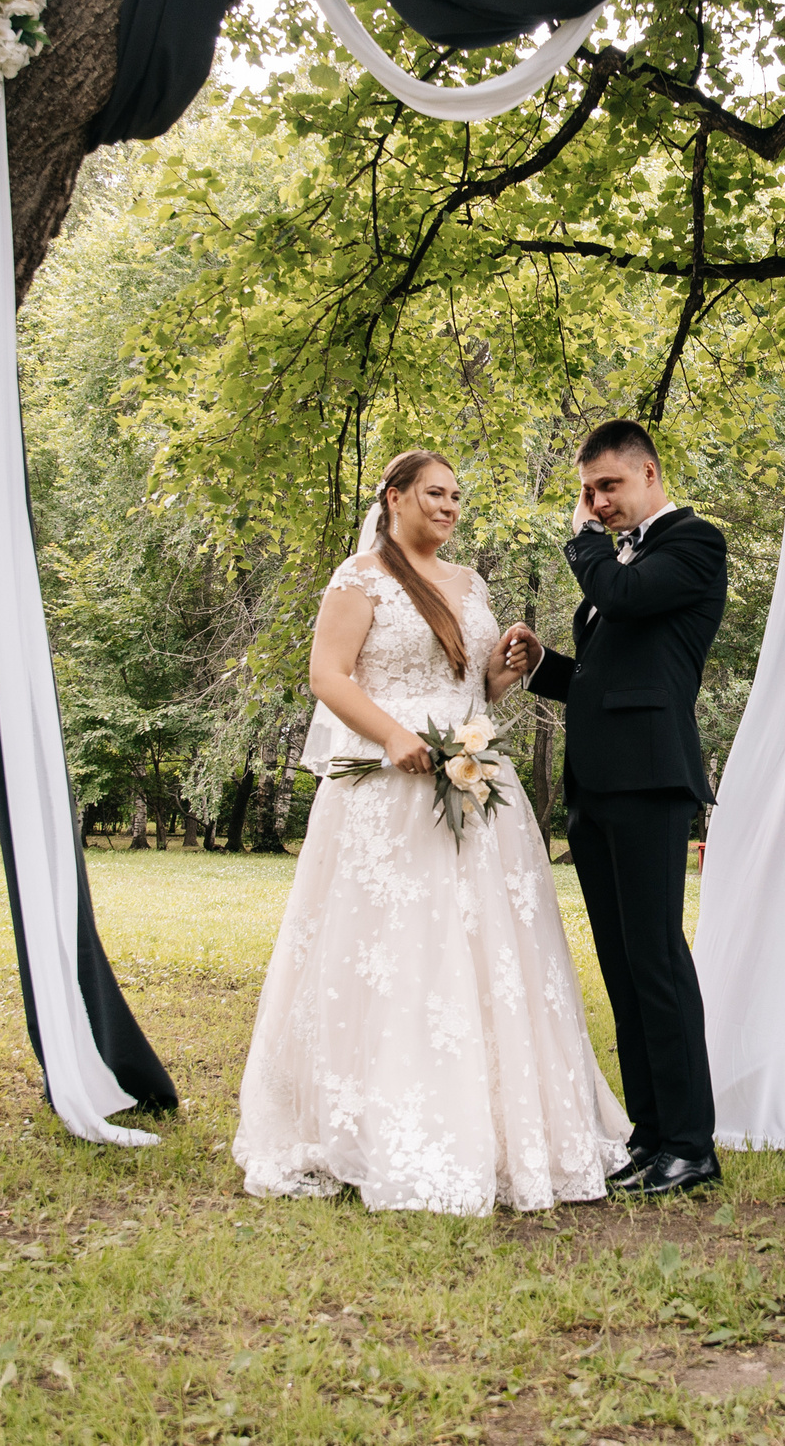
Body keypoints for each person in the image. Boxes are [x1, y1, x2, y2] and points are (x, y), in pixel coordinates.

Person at [233, 449, 632, 1213]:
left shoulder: (469, 582)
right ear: (396, 496)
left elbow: (466, 682)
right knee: (397, 948)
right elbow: (329, 675)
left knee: (484, 951)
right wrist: (390, 736)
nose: (450, 506)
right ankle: (375, 1122)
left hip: (473, 780)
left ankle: (501, 1123)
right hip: (392, 788)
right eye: (436, 493)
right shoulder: (360, 579)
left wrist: (503, 671)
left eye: (457, 495)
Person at [503, 419, 730, 1197]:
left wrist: (583, 544)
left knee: (658, 961)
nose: (595, 503)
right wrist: (543, 667)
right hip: (596, 787)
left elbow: (622, 595)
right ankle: (651, 1135)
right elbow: (609, 674)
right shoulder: (619, 565)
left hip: (650, 784)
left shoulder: (695, 545)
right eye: (586, 491)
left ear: (650, 474)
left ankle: (693, 1144)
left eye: (608, 486)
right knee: (625, 970)